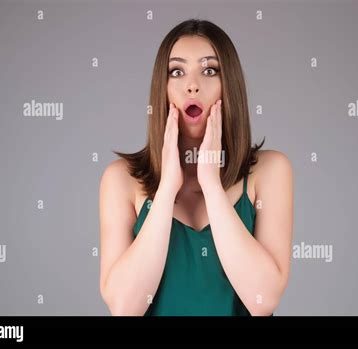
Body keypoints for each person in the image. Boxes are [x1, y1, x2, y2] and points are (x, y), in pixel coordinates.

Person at [99, 19, 293, 316]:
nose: (192, 85)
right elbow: (125, 307)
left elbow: (262, 299)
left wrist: (211, 184)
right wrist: (165, 190)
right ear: (161, 90)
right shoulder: (120, 179)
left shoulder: (270, 171)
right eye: (177, 71)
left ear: (229, 86)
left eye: (209, 70)